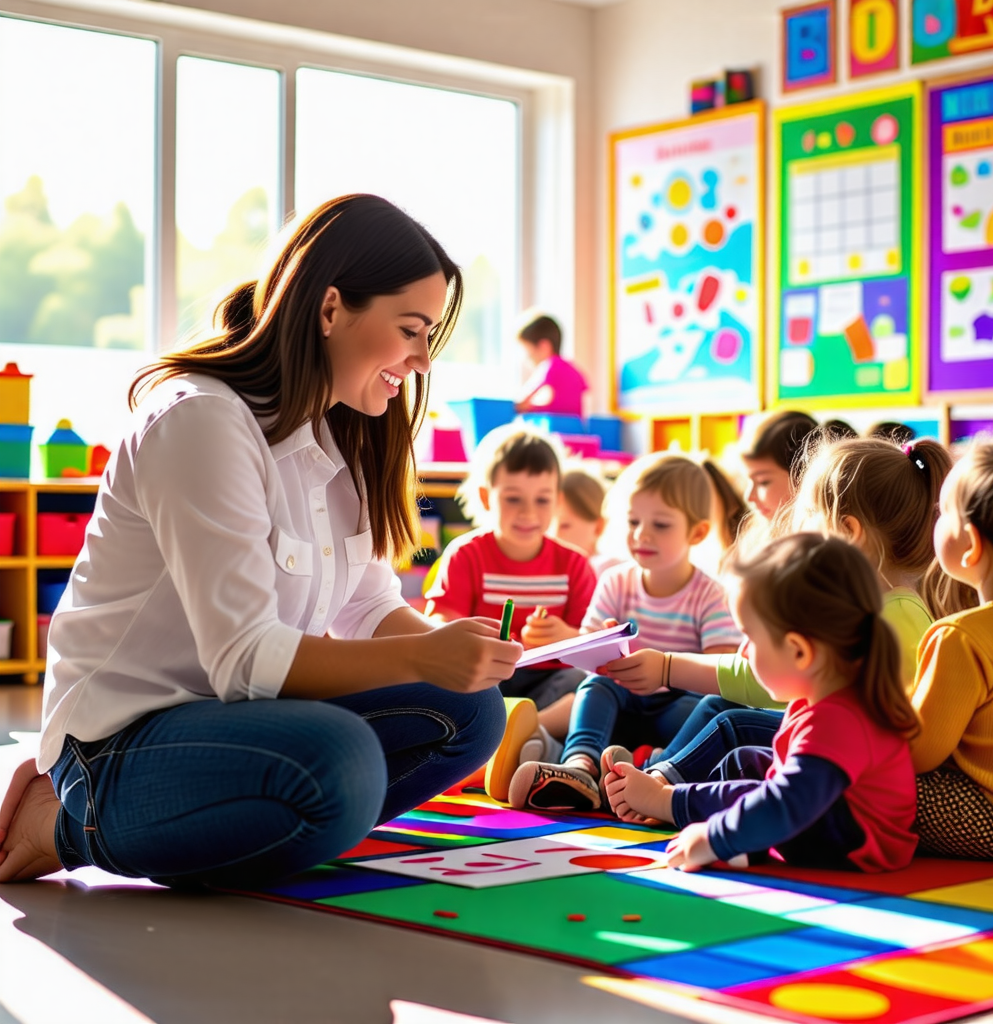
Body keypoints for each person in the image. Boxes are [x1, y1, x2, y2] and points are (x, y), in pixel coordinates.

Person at [0, 195, 521, 887]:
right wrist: (426, 653)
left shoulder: (340, 436)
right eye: (411, 329)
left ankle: (278, 818)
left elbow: (366, 609)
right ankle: (66, 821)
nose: (422, 360)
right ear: (331, 309)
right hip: (120, 742)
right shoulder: (202, 419)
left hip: (243, 724)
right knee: (336, 762)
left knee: (471, 710)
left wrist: (461, 655)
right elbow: (246, 660)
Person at [613, 433, 955, 804]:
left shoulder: (893, 617)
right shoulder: (866, 608)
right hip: (836, 749)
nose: (798, 527)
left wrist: (667, 668)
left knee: (732, 722)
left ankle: (655, 789)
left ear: (848, 532)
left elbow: (779, 689)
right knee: (719, 709)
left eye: (809, 516)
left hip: (854, 773)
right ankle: (655, 776)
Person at [606, 533, 920, 874]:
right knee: (745, 761)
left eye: (750, 638)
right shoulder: (821, 703)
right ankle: (678, 804)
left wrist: (714, 837)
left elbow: (786, 801)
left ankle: (678, 807)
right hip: (827, 818)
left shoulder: (839, 719)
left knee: (770, 795)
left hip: (853, 845)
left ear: (799, 651)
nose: (742, 651)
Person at [508, 452, 741, 812]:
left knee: (711, 708)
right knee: (595, 686)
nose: (641, 534)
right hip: (622, 700)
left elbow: (721, 667)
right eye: (633, 521)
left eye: (660, 525)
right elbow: (585, 658)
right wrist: (598, 645)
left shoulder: (710, 593)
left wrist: (663, 669)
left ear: (697, 532)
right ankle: (580, 765)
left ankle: (650, 770)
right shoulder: (616, 581)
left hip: (676, 707)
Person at [422, 424, 596, 801]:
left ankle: (518, 737)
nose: (528, 513)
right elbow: (438, 628)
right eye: (513, 499)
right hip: (487, 681)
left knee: (588, 689)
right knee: (451, 690)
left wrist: (566, 635)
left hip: (551, 687)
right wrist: (477, 639)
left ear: (557, 499)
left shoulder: (574, 565)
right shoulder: (467, 555)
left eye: (542, 500)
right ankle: (527, 741)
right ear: (486, 497)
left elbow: (593, 643)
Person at [911, 439, 993, 860]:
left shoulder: (961, 636)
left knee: (841, 777)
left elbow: (919, 753)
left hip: (987, 815)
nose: (935, 521)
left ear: (971, 544)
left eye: (942, 513)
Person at [551, 463, 622, 579]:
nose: (554, 535)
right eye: (549, 528)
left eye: (564, 526)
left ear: (598, 527)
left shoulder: (607, 570)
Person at [512, 313, 588, 419]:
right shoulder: (574, 370)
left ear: (544, 346)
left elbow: (521, 403)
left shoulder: (548, 366)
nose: (526, 358)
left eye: (527, 350)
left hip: (553, 433)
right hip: (575, 433)